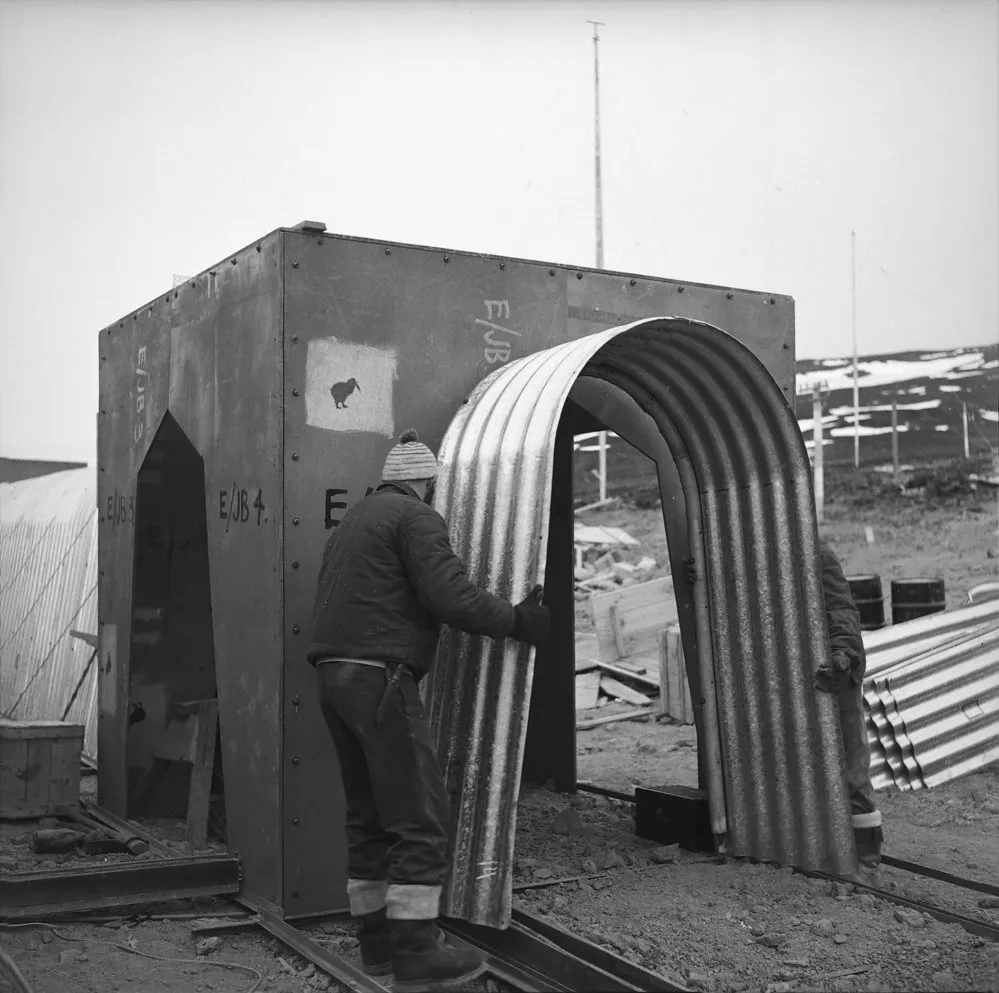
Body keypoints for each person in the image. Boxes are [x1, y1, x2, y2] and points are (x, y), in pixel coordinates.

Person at [307, 428, 551, 992]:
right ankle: (418, 953)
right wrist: (517, 620)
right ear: (428, 483)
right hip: (380, 680)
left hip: (333, 678)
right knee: (420, 816)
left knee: (367, 817)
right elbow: (450, 596)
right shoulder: (415, 518)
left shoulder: (356, 520)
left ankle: (377, 947)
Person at [815, 538, 884, 882]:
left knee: (852, 772)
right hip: (809, 682)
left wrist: (842, 653)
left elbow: (842, 611)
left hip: (839, 674)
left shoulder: (819, 553)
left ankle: (867, 864)